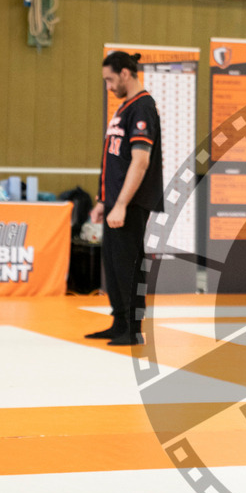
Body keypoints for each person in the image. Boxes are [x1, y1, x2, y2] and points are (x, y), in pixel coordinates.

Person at [84, 51, 164, 346]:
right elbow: (115, 160)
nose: (108, 86)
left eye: (110, 79)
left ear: (125, 74)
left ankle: (132, 328)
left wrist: (120, 204)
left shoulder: (142, 107)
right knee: (114, 265)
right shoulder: (124, 108)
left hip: (130, 205)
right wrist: (103, 201)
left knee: (129, 266)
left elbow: (140, 161)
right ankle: (119, 322)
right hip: (115, 204)